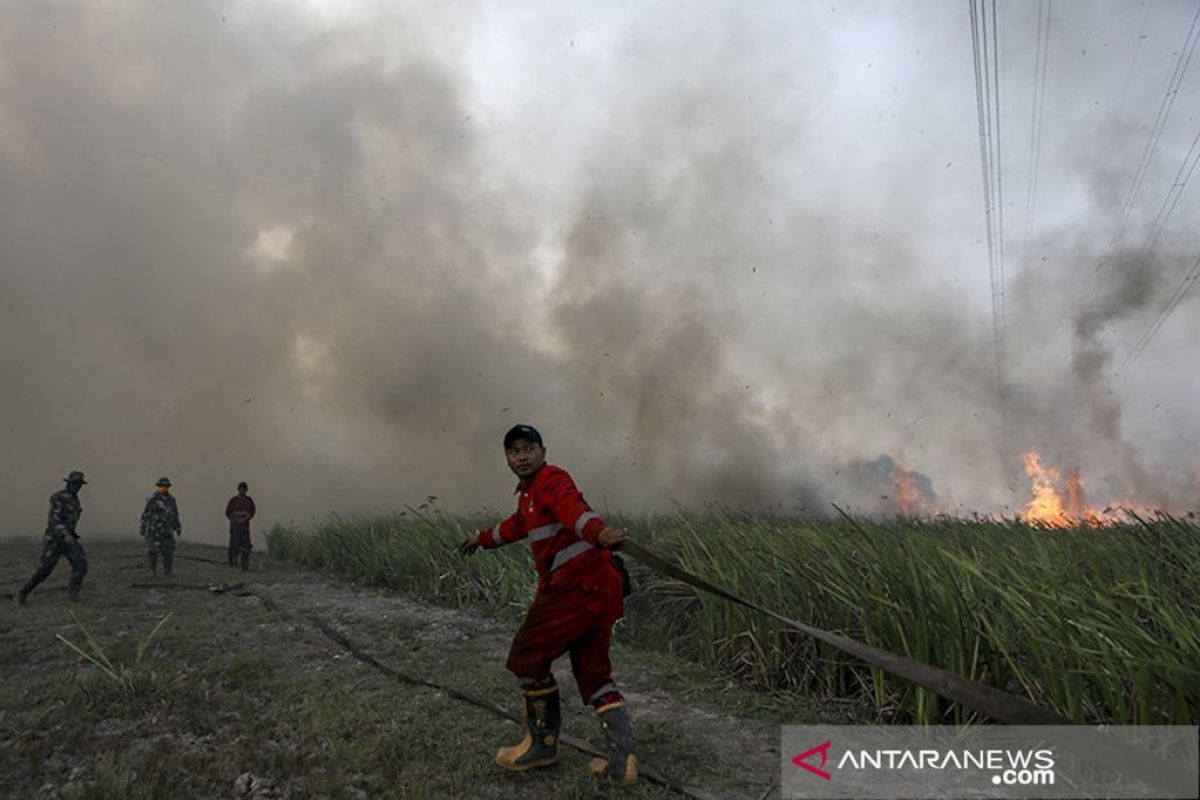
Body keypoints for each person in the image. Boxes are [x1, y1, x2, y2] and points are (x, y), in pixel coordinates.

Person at [458, 424, 637, 785]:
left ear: (543, 451)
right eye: (514, 451)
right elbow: (513, 527)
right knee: (593, 674)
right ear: (507, 458)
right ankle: (622, 766)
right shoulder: (528, 497)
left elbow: (575, 511)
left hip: (576, 589)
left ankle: (542, 746)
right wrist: (479, 540)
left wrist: (599, 532)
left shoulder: (552, 480)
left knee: (527, 657)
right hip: (600, 589)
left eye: (529, 448)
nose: (522, 456)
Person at [15, 471, 89, 604]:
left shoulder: (74, 499)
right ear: (68, 483)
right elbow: (54, 519)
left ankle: (74, 595)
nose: (76, 486)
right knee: (43, 571)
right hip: (55, 539)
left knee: (81, 565)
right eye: (73, 483)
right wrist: (64, 533)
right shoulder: (58, 497)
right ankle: (22, 593)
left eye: (78, 484)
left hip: (69, 540)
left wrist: (70, 535)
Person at [140, 476, 181, 575]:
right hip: (155, 529)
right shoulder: (152, 499)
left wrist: (177, 526)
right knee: (153, 551)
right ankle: (152, 571)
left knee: (168, 551)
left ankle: (168, 571)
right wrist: (143, 527)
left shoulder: (171, 500)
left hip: (167, 529)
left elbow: (174, 514)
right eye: (162, 486)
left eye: (166, 486)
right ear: (158, 487)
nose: (164, 488)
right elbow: (146, 514)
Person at [225, 481, 256, 571]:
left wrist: (244, 519)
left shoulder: (249, 501)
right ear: (238, 490)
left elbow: (252, 512)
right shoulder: (233, 500)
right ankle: (232, 564)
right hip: (235, 526)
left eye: (244, 489)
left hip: (245, 527)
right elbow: (228, 512)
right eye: (241, 489)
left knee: (246, 546)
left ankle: (245, 566)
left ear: (246, 490)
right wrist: (235, 520)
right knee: (234, 546)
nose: (242, 491)